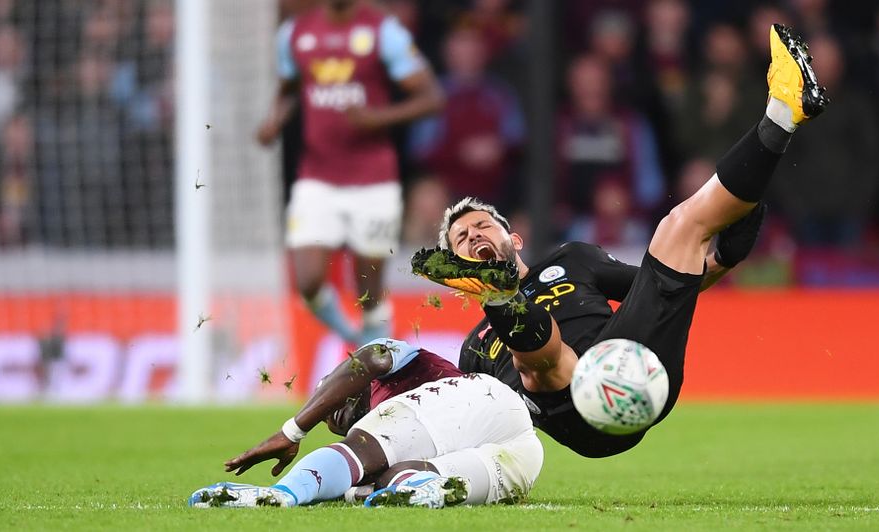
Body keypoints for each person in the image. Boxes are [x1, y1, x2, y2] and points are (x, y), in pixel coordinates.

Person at [411, 24, 828, 458]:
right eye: (461, 237)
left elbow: (663, 288)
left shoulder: (572, 259)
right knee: (538, 366)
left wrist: (721, 258)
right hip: (574, 411)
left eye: (482, 226)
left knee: (677, 227)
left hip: (638, 370)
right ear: (455, 265)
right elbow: (482, 419)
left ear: (513, 238)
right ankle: (505, 301)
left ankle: (782, 113)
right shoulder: (475, 347)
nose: (473, 234)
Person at [256, 0, 444, 344]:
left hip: (373, 179)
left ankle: (378, 359)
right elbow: (288, 90)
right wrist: (274, 121)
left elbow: (432, 97)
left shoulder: (382, 31)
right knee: (308, 281)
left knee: (369, 290)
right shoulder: (295, 34)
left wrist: (377, 118)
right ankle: (354, 338)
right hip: (317, 175)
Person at [188, 338, 542, 508]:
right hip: (521, 449)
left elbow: (372, 357)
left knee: (358, 454)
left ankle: (280, 494)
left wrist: (293, 430)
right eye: (329, 419)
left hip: (475, 394)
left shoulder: (396, 370)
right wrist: (356, 491)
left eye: (329, 400)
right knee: (403, 480)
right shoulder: (393, 430)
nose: (333, 415)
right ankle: (427, 487)